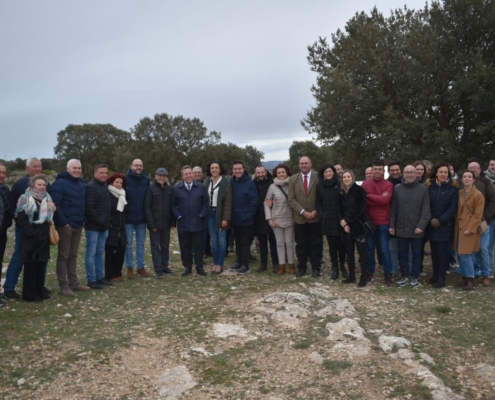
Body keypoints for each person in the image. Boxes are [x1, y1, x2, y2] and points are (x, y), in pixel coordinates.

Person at [3, 158, 48, 299]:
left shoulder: (46, 184)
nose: (37, 169)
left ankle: (38, 286)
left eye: (39, 166)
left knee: (41, 258)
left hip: (41, 230)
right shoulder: (20, 184)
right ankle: (9, 287)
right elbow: (11, 206)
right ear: (26, 168)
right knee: (20, 256)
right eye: (34, 166)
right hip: (25, 229)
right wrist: (22, 224)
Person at [50, 159, 89, 296]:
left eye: (79, 168)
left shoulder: (81, 183)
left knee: (73, 255)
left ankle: (74, 282)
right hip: (66, 225)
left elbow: (83, 203)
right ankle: (63, 285)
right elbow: (56, 205)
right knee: (64, 255)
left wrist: (83, 219)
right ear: (68, 169)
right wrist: (64, 223)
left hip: (78, 223)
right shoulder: (59, 184)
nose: (77, 170)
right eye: (74, 168)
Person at [15, 174, 56, 302]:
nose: (42, 187)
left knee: (41, 264)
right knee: (31, 265)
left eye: (44, 185)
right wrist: (32, 233)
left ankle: (39, 289)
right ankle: (30, 294)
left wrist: (53, 209)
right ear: (33, 185)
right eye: (39, 184)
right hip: (31, 237)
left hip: (43, 236)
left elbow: (49, 218)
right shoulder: (25, 198)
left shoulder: (47, 198)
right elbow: (21, 219)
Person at [390, 165, 431, 288]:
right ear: (403, 173)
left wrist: (421, 226)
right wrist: (392, 225)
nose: (409, 174)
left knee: (417, 254)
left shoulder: (423, 189)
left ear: (416, 174)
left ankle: (415, 276)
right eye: (407, 172)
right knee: (402, 253)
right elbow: (394, 208)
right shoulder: (397, 189)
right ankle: (404, 276)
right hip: (401, 227)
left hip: (417, 229)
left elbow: (426, 210)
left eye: (412, 172)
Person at [424, 164, 459, 288]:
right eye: (441, 172)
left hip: (445, 225)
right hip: (431, 224)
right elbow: (426, 204)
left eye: (446, 172)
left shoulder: (453, 189)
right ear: (436, 173)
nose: (443, 174)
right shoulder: (429, 187)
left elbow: (453, 207)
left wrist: (440, 220)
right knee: (434, 252)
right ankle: (435, 276)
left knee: (442, 253)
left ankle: (441, 278)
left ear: (448, 174)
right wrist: (431, 219)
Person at [288, 156, 322, 277]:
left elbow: (322, 196)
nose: (304, 165)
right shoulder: (293, 179)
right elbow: (291, 199)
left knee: (316, 244)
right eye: (301, 163)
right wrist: (303, 211)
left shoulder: (319, 177)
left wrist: (316, 211)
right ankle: (302, 268)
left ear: (311, 164)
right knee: (301, 245)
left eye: (306, 163)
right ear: (299, 165)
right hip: (300, 218)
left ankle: (316, 268)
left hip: (315, 217)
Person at [361, 160, 394, 285]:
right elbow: (363, 201)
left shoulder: (388, 184)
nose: (377, 171)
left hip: (383, 222)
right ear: (372, 170)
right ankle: (370, 272)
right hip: (369, 222)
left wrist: (369, 196)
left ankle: (388, 274)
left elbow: (385, 201)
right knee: (369, 249)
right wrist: (377, 197)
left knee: (384, 249)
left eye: (380, 169)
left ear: (383, 171)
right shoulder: (365, 183)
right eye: (375, 169)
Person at [172, 165, 208, 276]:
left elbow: (205, 203)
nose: (188, 176)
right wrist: (178, 215)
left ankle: (199, 267)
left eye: (190, 173)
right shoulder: (176, 188)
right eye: (186, 174)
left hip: (197, 221)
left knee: (198, 246)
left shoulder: (200, 187)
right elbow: (173, 205)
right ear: (182, 176)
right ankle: (187, 267)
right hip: (183, 222)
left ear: (192, 174)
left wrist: (202, 214)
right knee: (185, 246)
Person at [453, 170, 485, 290]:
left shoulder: (478, 194)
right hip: (459, 227)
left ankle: (471, 279)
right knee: (461, 254)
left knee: (466, 254)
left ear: (473, 179)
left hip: (469, 228)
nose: (467, 178)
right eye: (465, 176)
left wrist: (471, 228)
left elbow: (478, 214)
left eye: (469, 177)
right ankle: (465, 277)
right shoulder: (460, 193)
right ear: (462, 179)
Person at [316, 163, 347, 280]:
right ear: (323, 174)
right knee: (332, 246)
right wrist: (321, 215)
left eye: (330, 171)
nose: (328, 173)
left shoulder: (340, 183)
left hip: (340, 219)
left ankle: (343, 266)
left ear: (334, 172)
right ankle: (335, 268)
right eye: (326, 172)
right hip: (327, 220)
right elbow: (318, 202)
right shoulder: (319, 186)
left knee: (341, 245)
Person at [467, 159, 495, 285]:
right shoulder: (463, 183)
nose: (472, 170)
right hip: (467, 223)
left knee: (483, 249)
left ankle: (485, 274)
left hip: (483, 222)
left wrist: (486, 216)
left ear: (479, 170)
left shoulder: (486, 182)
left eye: (475, 168)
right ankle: (470, 273)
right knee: (469, 249)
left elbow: (494, 201)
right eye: (470, 168)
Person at [144, 168, 176, 278]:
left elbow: (173, 206)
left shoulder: (169, 189)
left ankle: (164, 266)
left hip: (166, 223)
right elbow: (147, 208)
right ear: (155, 176)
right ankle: (158, 269)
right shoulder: (151, 189)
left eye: (164, 176)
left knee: (165, 246)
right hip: (155, 224)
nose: (162, 177)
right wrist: (152, 225)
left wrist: (173, 222)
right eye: (160, 175)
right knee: (155, 247)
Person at [338, 169, 368, 286]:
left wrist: (347, 220)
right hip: (347, 228)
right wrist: (344, 224)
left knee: (362, 253)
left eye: (348, 176)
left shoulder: (360, 190)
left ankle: (364, 277)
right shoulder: (341, 192)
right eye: (344, 177)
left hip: (359, 226)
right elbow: (339, 209)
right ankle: (351, 276)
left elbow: (360, 210)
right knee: (349, 252)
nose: (346, 179)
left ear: (352, 177)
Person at [265, 164, 295, 274]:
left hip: (290, 219)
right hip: (276, 219)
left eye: (283, 172)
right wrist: (269, 218)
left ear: (287, 173)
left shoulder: (292, 185)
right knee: (280, 243)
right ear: (276, 175)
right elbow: (267, 203)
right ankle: (282, 266)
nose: (281, 174)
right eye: (279, 172)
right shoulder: (272, 187)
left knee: (289, 243)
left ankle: (292, 265)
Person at [85, 164, 112, 289]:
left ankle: (100, 276)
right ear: (95, 173)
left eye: (105, 173)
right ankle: (91, 279)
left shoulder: (104, 185)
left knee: (100, 252)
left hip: (104, 226)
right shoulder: (91, 187)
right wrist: (99, 220)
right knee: (91, 253)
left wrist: (106, 221)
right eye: (101, 173)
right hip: (93, 227)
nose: (104, 175)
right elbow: (89, 207)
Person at [229, 161, 258, 274]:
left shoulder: (250, 183)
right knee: (237, 241)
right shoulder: (231, 182)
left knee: (245, 242)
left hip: (245, 218)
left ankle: (245, 264)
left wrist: (248, 215)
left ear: (243, 169)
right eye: (235, 169)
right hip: (235, 218)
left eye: (239, 169)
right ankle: (239, 261)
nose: (237, 171)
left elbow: (254, 201)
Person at [203, 161, 232, 274]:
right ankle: (215, 263)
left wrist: (225, 218)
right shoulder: (207, 181)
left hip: (220, 213)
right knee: (213, 240)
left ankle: (220, 264)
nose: (214, 170)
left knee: (221, 239)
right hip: (210, 213)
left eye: (216, 168)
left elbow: (228, 202)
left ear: (220, 170)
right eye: (212, 168)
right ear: (210, 170)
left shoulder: (226, 182)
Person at [124, 159, 150, 278]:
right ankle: (129, 267)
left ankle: (140, 267)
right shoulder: (125, 179)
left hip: (141, 218)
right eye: (136, 165)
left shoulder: (146, 180)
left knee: (140, 244)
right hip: (128, 217)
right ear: (131, 166)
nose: (138, 167)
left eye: (140, 165)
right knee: (128, 244)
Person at [253, 165, 279, 272]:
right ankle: (263, 264)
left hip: (272, 216)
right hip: (259, 217)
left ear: (266, 172)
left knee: (273, 242)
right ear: (256, 174)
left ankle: (275, 264)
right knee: (262, 243)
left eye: (262, 172)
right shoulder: (253, 184)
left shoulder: (272, 183)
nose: (260, 175)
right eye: (258, 173)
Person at [105, 173, 128, 283]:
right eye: (117, 182)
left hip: (121, 227)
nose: (119, 185)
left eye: (121, 183)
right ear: (111, 183)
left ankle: (118, 273)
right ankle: (110, 274)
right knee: (110, 252)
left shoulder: (123, 194)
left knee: (121, 250)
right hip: (111, 227)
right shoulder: (108, 193)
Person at [0, 164, 13, 287]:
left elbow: (8, 209)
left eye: (4, 172)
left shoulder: (4, 189)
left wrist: (7, 223)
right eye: (0, 172)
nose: (2, 175)